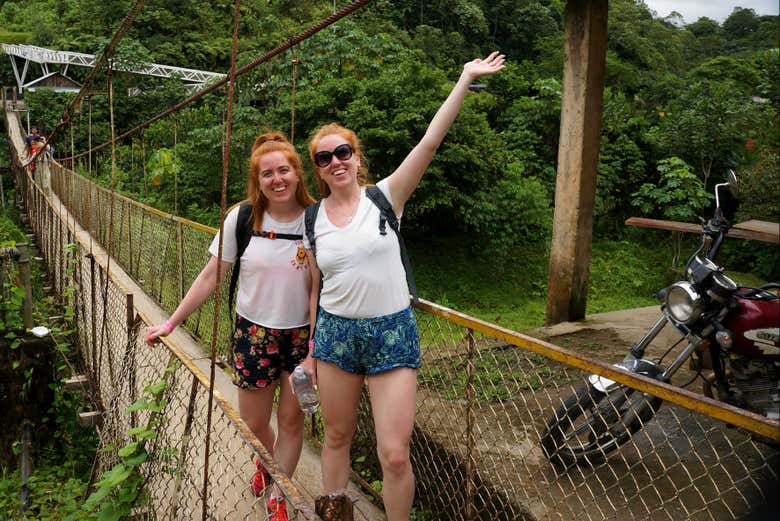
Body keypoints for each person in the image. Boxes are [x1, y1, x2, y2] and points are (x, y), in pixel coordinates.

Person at [300, 52, 505, 520]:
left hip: (391, 331)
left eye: (342, 153)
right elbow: (316, 286)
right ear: (318, 167)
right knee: (336, 437)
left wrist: (464, 79)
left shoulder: (386, 198)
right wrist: (312, 347)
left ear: (356, 157)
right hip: (335, 335)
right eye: (324, 157)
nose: (335, 162)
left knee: (394, 453)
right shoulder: (311, 221)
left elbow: (430, 143)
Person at [146, 132, 315, 521]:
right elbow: (211, 277)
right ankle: (266, 461)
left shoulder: (316, 219)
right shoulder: (242, 218)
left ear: (296, 173)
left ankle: (278, 497)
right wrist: (172, 322)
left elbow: (331, 280)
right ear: (257, 181)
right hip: (254, 334)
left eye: (284, 170)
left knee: (291, 421)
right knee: (256, 424)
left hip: (302, 337)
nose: (277, 179)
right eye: (267, 173)